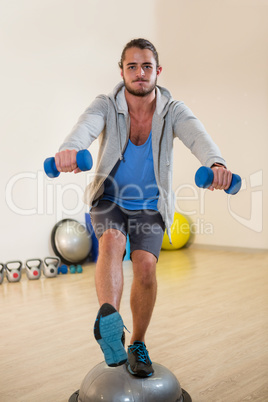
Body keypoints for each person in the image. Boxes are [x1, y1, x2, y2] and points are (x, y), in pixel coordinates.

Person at [55, 38, 232, 377]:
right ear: (121, 71)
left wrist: (216, 163)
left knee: (146, 268)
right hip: (110, 198)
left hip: (151, 204)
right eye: (132, 66)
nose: (139, 73)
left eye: (146, 66)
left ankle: (137, 342)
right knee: (111, 242)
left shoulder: (173, 110)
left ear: (157, 71)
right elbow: (85, 128)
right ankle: (109, 320)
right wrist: (69, 150)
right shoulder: (105, 104)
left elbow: (198, 136)